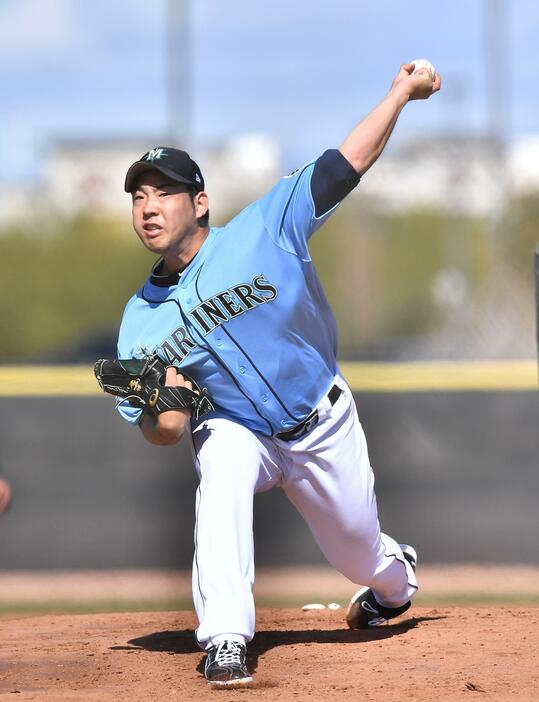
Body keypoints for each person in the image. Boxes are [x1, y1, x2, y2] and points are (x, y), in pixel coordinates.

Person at [114, 63, 441, 687]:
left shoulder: (267, 226)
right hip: (239, 429)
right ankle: (227, 638)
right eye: (138, 196)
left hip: (321, 419)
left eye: (164, 192)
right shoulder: (138, 324)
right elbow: (164, 430)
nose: (149, 207)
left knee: (360, 555)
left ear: (200, 202)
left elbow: (347, 163)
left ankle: (395, 580)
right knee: (221, 468)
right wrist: (165, 405)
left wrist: (400, 94)